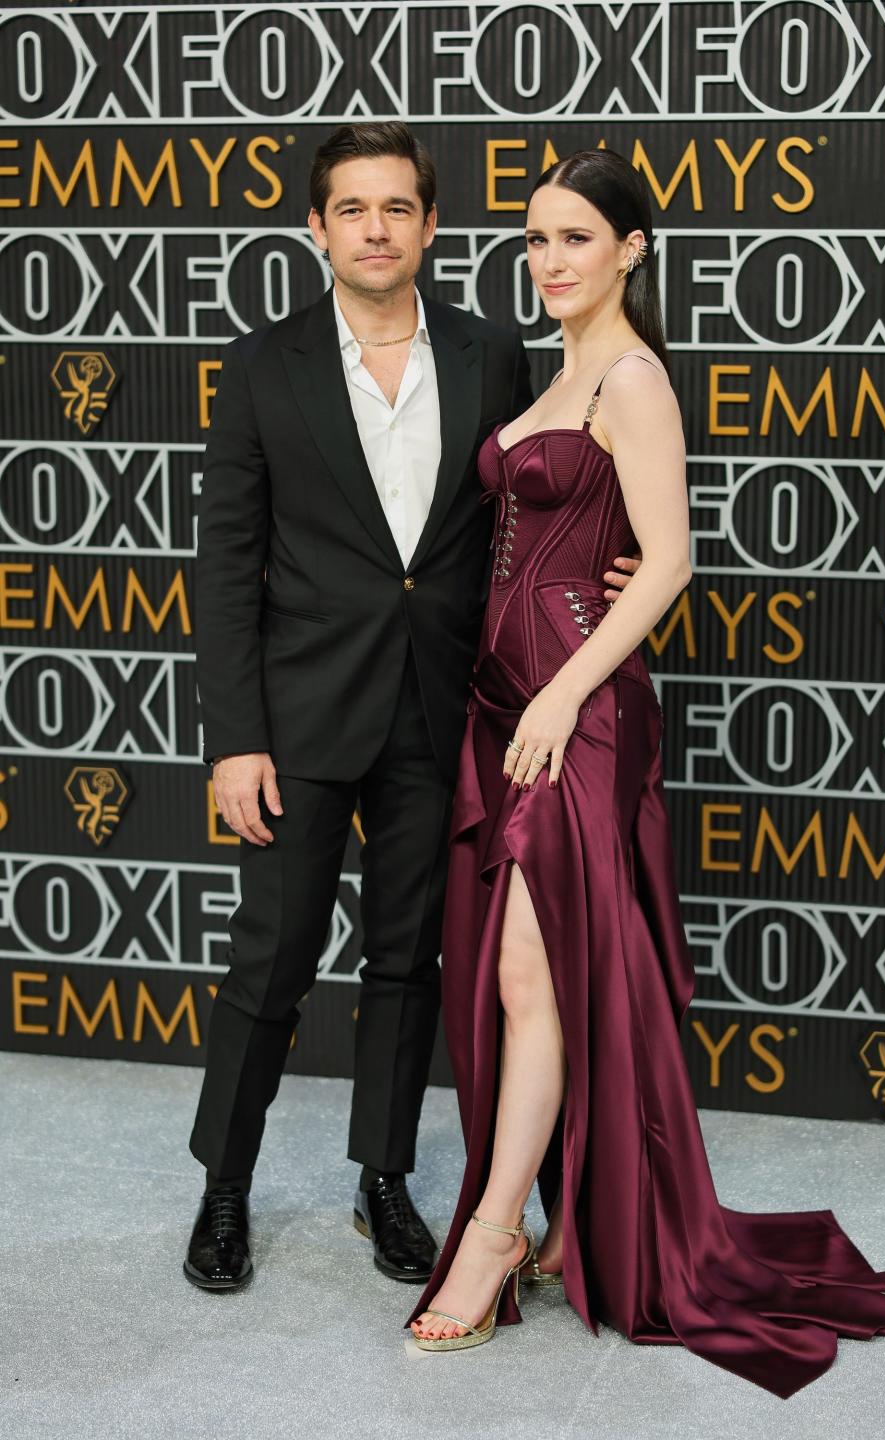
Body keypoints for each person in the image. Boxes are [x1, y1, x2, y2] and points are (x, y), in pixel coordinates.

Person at [408, 149, 885, 1396]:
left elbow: (666, 562)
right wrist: (516, 694)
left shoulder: (635, 378)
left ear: (631, 250)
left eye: (577, 238)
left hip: (575, 711)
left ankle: (491, 1240)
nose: (549, 261)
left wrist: (562, 690)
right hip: (507, 707)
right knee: (516, 968)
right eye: (535, 239)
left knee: (535, 965)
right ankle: (553, 1223)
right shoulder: (557, 371)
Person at [183, 121, 552, 1292]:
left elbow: (519, 539)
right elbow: (227, 562)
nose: (377, 228)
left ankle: (383, 1181)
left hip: (439, 712)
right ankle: (225, 1190)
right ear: (317, 227)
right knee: (272, 961)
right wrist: (234, 738)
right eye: (353, 208)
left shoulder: (495, 356)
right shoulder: (261, 365)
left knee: (407, 964)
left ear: (431, 226)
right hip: (294, 722)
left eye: (398, 207)